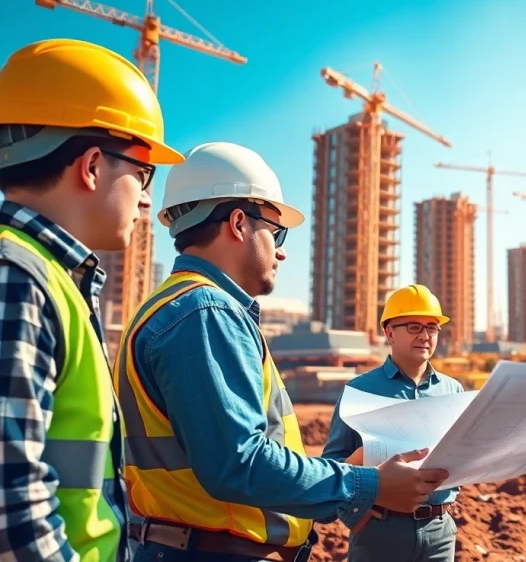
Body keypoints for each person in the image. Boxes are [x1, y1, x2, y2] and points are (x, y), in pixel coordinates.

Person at [111, 142, 449, 562]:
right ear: (238, 222)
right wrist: (369, 485)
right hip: (218, 551)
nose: (283, 251)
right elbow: (241, 463)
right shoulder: (206, 312)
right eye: (277, 232)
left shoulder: (169, 306)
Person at [0, 38, 183, 562]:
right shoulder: (19, 276)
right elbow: (13, 509)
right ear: (93, 165)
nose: (148, 198)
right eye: (144, 174)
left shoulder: (50, 277)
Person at [322, 284, 465, 562]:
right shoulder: (359, 390)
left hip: (438, 533)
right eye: (413, 326)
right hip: (379, 532)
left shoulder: (453, 390)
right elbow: (333, 463)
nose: (425, 335)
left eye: (432, 327)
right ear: (389, 333)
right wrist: (355, 517)